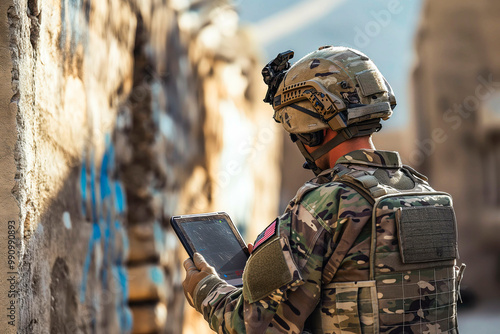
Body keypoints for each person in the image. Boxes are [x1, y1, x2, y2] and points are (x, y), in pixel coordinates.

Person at [182, 46, 465, 333]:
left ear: (309, 126)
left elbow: (252, 326)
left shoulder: (324, 203)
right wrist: (270, 262)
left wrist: (204, 288)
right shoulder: (423, 192)